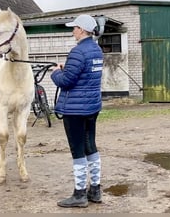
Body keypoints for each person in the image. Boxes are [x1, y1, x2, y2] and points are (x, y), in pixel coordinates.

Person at [51, 14, 103, 208]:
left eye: (74, 28)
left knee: (77, 150)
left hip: (75, 110)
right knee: (91, 145)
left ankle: (79, 194)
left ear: (81, 30)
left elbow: (66, 81)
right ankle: (95, 190)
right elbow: (83, 73)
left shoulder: (77, 52)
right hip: (91, 107)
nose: (72, 31)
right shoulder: (96, 50)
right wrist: (67, 68)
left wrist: (56, 72)